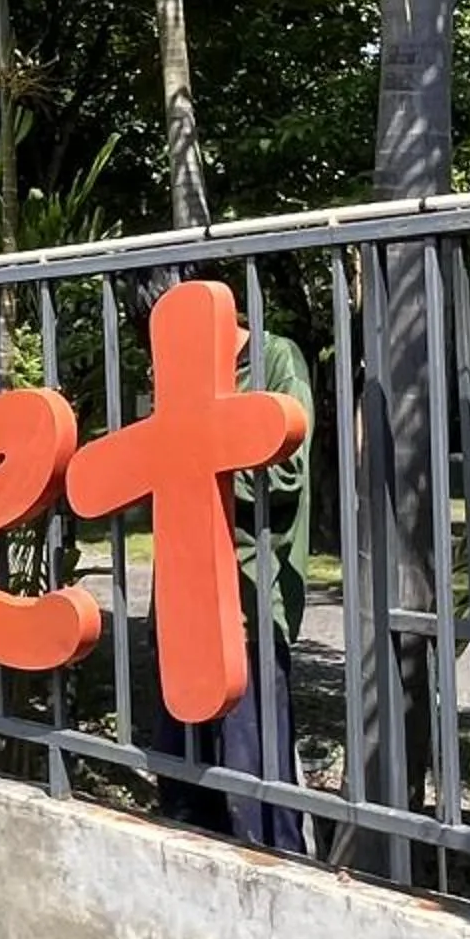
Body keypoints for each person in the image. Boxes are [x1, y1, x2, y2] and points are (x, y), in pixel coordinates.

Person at [139, 274, 313, 855]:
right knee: (183, 770)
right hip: (183, 591)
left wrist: (203, 455)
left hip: (248, 590)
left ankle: (279, 877)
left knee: (255, 773)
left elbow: (288, 472)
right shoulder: (173, 374)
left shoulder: (273, 358)